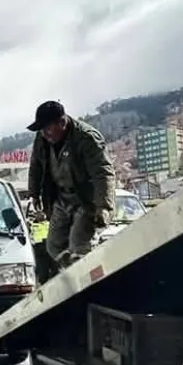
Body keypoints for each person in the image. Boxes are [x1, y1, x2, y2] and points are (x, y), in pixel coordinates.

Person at [26, 100, 116, 268]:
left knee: (79, 243)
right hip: (61, 196)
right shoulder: (42, 138)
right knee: (53, 245)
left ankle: (87, 274)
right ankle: (71, 272)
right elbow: (36, 165)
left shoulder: (87, 138)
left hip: (85, 198)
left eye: (48, 128)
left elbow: (102, 173)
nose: (45, 134)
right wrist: (34, 193)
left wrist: (103, 207)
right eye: (42, 130)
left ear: (62, 122)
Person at [27, 207, 57, 284]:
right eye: (38, 213)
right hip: (40, 249)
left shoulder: (50, 223)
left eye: (42, 213)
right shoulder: (32, 225)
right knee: (43, 274)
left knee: (56, 271)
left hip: (51, 247)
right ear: (35, 216)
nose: (41, 214)